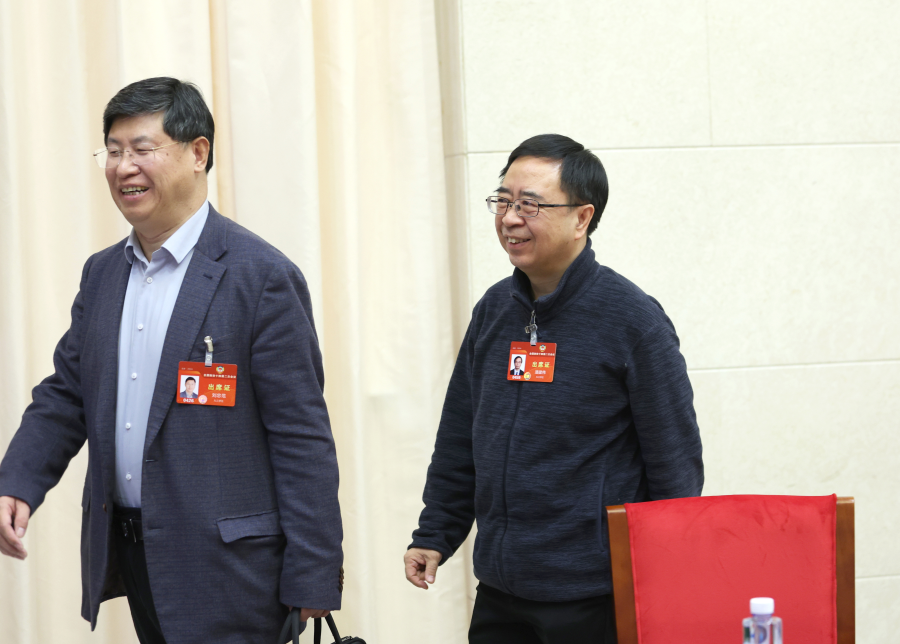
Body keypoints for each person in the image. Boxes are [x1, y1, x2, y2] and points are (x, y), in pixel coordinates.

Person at [0, 77, 342, 644]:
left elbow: (301, 436)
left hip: (232, 569)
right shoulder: (103, 273)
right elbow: (67, 393)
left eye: (142, 149)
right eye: (113, 151)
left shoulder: (259, 277)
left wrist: (314, 572)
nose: (123, 167)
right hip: (134, 551)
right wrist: (16, 481)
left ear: (198, 152)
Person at [404, 134, 703, 643]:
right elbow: (460, 436)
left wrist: (660, 583)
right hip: (500, 592)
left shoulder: (632, 320)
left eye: (530, 204)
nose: (510, 218)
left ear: (582, 218)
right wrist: (435, 533)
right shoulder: (494, 310)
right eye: (503, 201)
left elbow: (675, 470)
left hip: (593, 598)